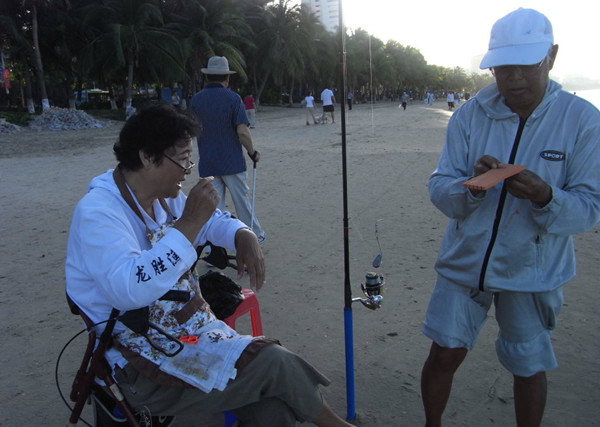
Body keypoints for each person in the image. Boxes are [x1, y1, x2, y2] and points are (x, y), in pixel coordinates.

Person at [65, 104, 354, 427]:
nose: (189, 170)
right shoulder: (99, 213)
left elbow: (212, 222)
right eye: (183, 159)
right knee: (274, 363)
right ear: (147, 157)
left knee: (273, 410)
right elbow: (128, 290)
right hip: (140, 360)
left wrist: (242, 234)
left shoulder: (163, 197)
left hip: (186, 334)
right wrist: (189, 222)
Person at [420, 8, 600, 427]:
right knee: (444, 352)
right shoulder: (469, 115)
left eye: (525, 66)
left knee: (528, 364)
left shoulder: (583, 120)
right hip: (465, 262)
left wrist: (546, 197)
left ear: (551, 56)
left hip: (532, 271)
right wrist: (470, 188)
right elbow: (439, 184)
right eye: (503, 68)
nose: (513, 79)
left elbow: (590, 207)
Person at [189, 56, 265, 244]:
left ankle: (212, 244)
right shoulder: (233, 98)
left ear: (207, 77)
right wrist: (252, 152)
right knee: (242, 203)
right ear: (227, 78)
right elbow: (242, 132)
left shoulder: (196, 100)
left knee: (214, 207)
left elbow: (191, 131)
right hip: (232, 163)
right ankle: (254, 236)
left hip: (208, 163)